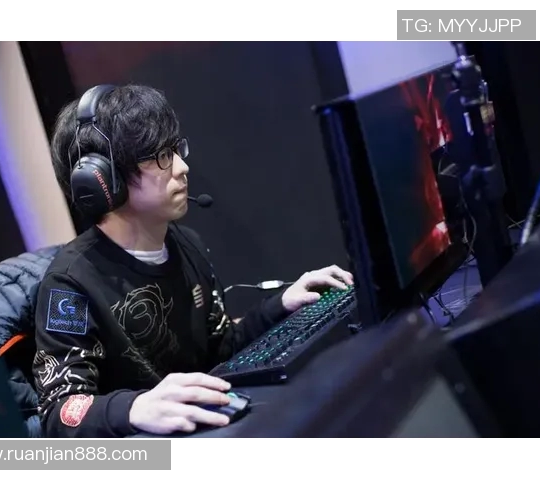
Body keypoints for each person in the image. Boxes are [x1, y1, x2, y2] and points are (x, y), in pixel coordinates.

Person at [32, 84, 354, 438]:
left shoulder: (187, 244)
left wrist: (281, 305)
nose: (182, 167)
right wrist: (135, 408)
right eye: (160, 156)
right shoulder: (70, 284)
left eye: (176, 149)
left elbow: (220, 348)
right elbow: (60, 411)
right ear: (103, 179)